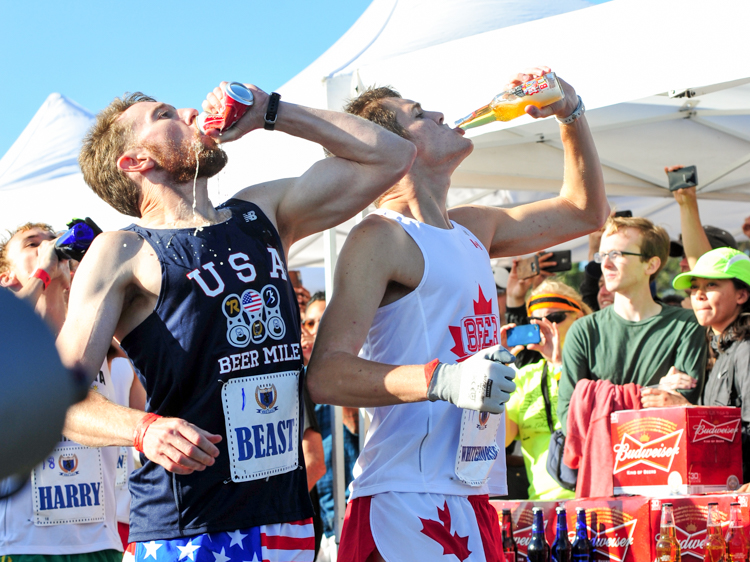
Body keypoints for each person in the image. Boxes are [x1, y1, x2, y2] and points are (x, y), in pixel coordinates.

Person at [55, 82, 416, 562]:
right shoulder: (124, 249)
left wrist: (271, 111)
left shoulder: (260, 212)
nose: (188, 110)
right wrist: (144, 430)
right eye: (164, 114)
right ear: (136, 161)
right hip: (188, 527)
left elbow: (391, 156)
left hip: (286, 516)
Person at [306, 67, 609, 561]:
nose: (443, 114)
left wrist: (570, 114)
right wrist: (444, 379)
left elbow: (586, 212)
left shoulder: (474, 227)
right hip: (403, 498)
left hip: (471, 492)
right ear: (392, 150)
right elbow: (325, 375)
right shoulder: (380, 236)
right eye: (420, 114)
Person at [0, 222, 138, 562]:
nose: (48, 246)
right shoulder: (11, 348)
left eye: (52, 240)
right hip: (24, 545)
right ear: (7, 278)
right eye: (32, 243)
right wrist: (43, 276)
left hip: (99, 545)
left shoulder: (107, 350)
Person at [558, 215, 708, 432]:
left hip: (663, 458)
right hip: (601, 462)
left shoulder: (685, 325)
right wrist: (652, 391)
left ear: (651, 264)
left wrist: (600, 401)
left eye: (617, 254)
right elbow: (569, 418)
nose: (606, 264)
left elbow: (678, 407)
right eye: (602, 255)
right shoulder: (584, 330)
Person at [640, 248, 750, 485]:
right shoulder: (717, 349)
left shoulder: (747, 349)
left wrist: (688, 410)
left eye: (711, 285)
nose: (698, 294)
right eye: (694, 287)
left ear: (742, 295)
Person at [504, 280, 591, 501]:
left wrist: (560, 362)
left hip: (594, 497)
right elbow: (502, 439)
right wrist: (497, 374)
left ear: (579, 319)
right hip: (542, 505)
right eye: (536, 322)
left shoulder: (596, 365)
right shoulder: (525, 376)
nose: (545, 327)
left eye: (554, 318)